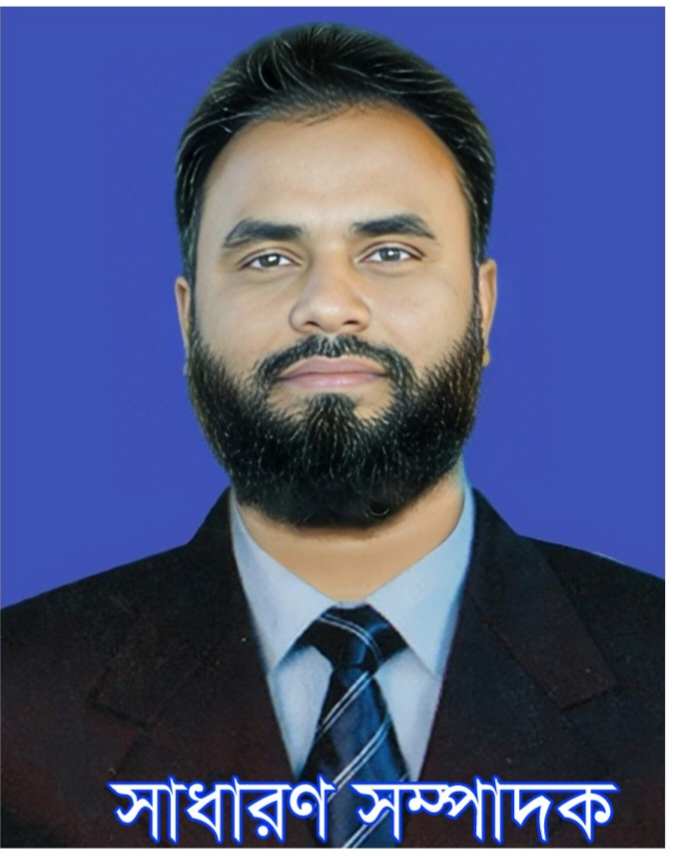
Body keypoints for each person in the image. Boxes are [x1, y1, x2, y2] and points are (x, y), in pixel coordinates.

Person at [1, 22, 663, 848]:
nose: (327, 306)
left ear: (484, 305)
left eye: (389, 251)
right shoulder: (16, 702)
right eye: (268, 259)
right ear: (187, 320)